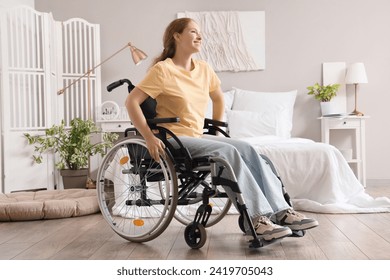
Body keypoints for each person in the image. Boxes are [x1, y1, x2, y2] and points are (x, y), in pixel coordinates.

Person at [125, 17, 318, 241]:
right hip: (175, 139)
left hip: (197, 138)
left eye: (200, 32)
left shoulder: (204, 69)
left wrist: (215, 132)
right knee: (228, 152)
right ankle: (256, 218)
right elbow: (132, 102)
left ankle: (282, 212)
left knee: (246, 147)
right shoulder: (163, 70)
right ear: (176, 36)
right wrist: (149, 137)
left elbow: (218, 98)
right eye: (193, 31)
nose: (200, 36)